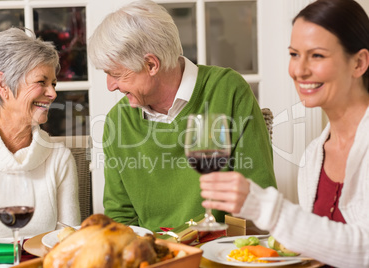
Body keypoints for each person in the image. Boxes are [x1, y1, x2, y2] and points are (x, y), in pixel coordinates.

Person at [199, 0, 369, 266]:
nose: (299, 70)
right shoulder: (314, 156)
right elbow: (317, 248)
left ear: (359, 63)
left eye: (317, 55)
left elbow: (364, 250)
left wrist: (267, 207)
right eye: (294, 54)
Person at [88, 0, 277, 232]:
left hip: (220, 251)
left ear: (151, 64)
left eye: (115, 74)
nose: (110, 86)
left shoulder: (227, 90)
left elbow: (259, 196)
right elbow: (120, 218)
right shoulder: (118, 120)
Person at [0, 27, 81, 238]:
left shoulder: (58, 158)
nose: (53, 93)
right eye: (41, 82)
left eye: (53, 83)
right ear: (2, 84)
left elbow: (68, 243)